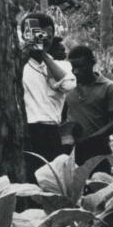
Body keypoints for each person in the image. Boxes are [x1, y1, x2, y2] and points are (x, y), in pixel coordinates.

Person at [20, 11, 75, 181]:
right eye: (38, 35)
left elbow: (68, 84)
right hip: (25, 132)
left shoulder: (60, 65)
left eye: (48, 36)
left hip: (50, 133)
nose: (44, 39)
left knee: (52, 182)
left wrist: (42, 53)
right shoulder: (19, 64)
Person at [63, 45, 113, 170]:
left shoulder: (109, 87)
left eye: (81, 66)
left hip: (98, 151)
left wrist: (90, 140)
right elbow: (64, 118)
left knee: (99, 184)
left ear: (92, 63)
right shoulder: (70, 88)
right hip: (73, 152)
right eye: (74, 67)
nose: (76, 71)